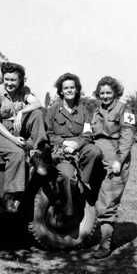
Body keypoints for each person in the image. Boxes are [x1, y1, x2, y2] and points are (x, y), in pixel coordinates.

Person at [0, 62, 49, 212]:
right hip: (0, 131)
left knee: (37, 114)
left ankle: (39, 153)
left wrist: (22, 112)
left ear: (20, 80)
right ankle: (11, 195)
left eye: (13, 80)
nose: (9, 83)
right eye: (6, 79)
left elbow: (38, 104)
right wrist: (13, 139)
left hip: (18, 127)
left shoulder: (24, 91)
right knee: (17, 153)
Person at [91, 76, 135, 259]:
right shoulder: (96, 110)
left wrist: (119, 160)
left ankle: (105, 245)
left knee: (108, 201)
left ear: (116, 93)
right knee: (96, 197)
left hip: (114, 160)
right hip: (97, 157)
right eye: (102, 93)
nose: (105, 96)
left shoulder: (125, 109)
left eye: (108, 92)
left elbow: (127, 137)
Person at [45, 73, 103, 211]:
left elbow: (88, 133)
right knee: (67, 176)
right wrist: (64, 144)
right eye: (66, 88)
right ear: (61, 91)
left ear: (77, 89)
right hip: (61, 150)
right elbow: (48, 134)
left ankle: (83, 182)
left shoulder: (84, 109)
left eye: (72, 87)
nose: (69, 90)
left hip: (80, 146)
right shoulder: (53, 109)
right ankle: (69, 210)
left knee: (95, 151)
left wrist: (77, 144)